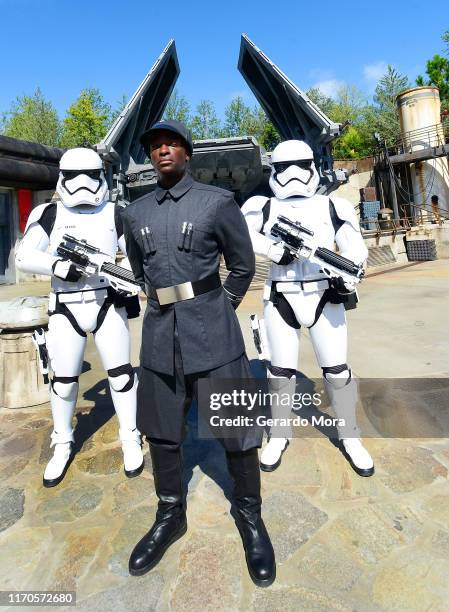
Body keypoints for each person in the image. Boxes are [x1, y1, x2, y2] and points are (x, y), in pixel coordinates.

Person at [121, 119, 276, 587]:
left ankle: (250, 517)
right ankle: (170, 515)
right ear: (150, 157)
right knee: (163, 432)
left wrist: (218, 307)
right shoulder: (136, 212)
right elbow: (139, 266)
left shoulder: (218, 202)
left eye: (171, 144)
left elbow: (244, 265)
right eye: (155, 146)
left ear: (187, 153)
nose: (163, 151)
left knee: (238, 430)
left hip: (214, 335)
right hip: (159, 337)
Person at [241, 139, 374, 477]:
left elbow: (354, 248)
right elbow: (238, 234)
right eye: (285, 168)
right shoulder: (264, 206)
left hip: (323, 294)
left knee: (337, 371)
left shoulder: (333, 206)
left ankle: (350, 435)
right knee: (279, 371)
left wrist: (348, 274)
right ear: (274, 171)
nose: (295, 175)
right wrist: (272, 249)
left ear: (313, 167)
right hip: (281, 296)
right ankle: (279, 434)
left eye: (302, 165)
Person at [15, 147, 144, 487]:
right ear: (63, 177)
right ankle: (62, 440)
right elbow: (24, 255)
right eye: (75, 176)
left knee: (121, 375)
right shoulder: (49, 213)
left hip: (107, 301)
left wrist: (124, 279)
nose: (84, 184)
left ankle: (130, 435)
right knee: (64, 379)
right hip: (65, 306)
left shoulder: (116, 212)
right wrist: (57, 266)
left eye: (92, 174)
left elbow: (135, 257)